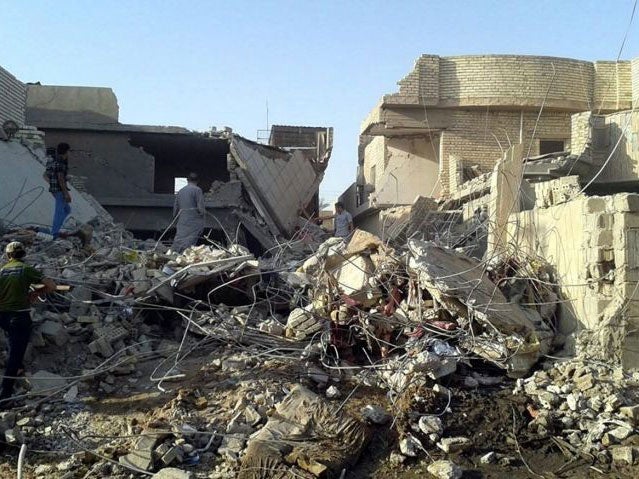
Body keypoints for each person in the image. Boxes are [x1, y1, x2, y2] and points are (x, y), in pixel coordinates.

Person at [0, 242, 56, 404]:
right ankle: (5, 395)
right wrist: (37, 293)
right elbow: (51, 285)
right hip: (20, 316)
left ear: (8, 255)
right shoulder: (25, 269)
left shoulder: (2, 270)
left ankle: (18, 369)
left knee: (13, 343)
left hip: (3, 317)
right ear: (23, 255)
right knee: (16, 353)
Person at [172, 172, 206, 252]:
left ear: (187, 180)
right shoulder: (197, 190)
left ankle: (175, 254)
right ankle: (186, 255)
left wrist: (175, 218)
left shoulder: (180, 191)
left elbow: (175, 208)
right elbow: (201, 208)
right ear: (197, 181)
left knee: (179, 239)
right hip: (194, 221)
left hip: (182, 220)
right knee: (190, 240)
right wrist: (203, 215)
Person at [46, 142, 72, 238]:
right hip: (59, 190)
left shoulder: (56, 161)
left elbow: (48, 175)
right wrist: (66, 193)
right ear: (66, 151)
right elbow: (60, 179)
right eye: (69, 151)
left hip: (56, 189)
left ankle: (56, 229)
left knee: (67, 210)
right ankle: (54, 233)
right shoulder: (60, 163)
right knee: (59, 211)